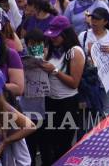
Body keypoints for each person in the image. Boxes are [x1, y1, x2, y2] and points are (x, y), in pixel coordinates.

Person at [36, 16, 85, 166]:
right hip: (49, 101)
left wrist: (55, 71)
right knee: (46, 142)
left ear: (66, 34)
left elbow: (74, 83)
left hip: (67, 104)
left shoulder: (74, 51)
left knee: (62, 146)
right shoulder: (50, 49)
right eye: (51, 35)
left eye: (56, 35)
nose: (53, 39)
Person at [79, 6, 109, 116]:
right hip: (90, 83)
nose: (94, 21)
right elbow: (77, 57)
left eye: (97, 19)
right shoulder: (83, 36)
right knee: (91, 116)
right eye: (92, 18)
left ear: (105, 22)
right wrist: (88, 54)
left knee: (107, 116)